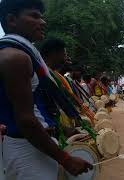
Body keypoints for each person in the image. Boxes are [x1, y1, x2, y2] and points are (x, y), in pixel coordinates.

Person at [0, 0, 92, 179]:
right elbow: (26, 121)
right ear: (11, 20)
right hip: (26, 150)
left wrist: (61, 129)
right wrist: (66, 159)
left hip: (35, 145)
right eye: (34, 16)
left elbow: (36, 105)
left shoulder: (23, 55)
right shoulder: (14, 58)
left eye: (41, 17)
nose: (43, 22)